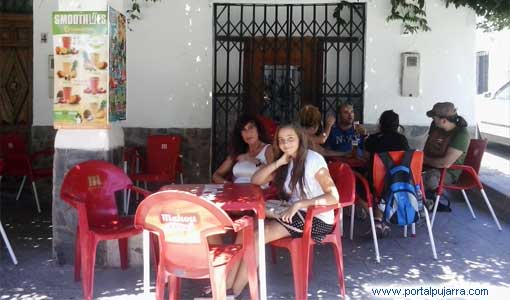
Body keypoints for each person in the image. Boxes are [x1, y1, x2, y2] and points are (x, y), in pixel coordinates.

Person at [225, 124, 339, 296]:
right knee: (244, 228)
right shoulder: (287, 161)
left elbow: (333, 196)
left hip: (317, 218)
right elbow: (256, 180)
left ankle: (234, 293)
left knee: (257, 236)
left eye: (290, 139)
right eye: (281, 140)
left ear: (301, 139)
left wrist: (301, 204)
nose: (286, 144)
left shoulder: (313, 160)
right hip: (294, 214)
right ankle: (225, 286)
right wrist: (279, 162)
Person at [361, 110, 410, 237]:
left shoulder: (373, 139)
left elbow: (365, 157)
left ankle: (378, 220)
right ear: (397, 125)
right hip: (398, 182)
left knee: (359, 185)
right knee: (383, 188)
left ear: (380, 124)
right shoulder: (402, 140)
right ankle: (383, 219)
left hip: (376, 181)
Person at [422, 102, 469, 211]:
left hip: (448, 172)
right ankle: (423, 201)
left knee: (425, 178)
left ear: (443, 120)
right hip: (430, 166)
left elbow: (445, 163)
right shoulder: (435, 126)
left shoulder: (461, 135)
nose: (433, 120)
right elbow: (427, 148)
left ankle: (419, 205)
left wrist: (423, 159)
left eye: (434, 118)